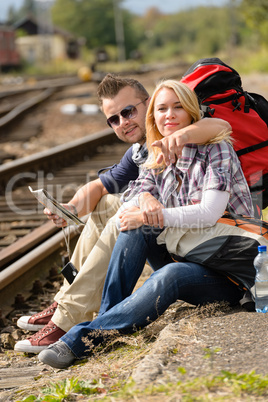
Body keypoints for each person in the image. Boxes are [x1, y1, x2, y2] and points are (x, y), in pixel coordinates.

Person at [37, 79, 255, 369]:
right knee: (134, 224)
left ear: (191, 112)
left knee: (170, 276)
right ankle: (106, 320)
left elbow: (209, 213)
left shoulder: (217, 150)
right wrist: (145, 201)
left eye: (178, 107)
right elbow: (134, 193)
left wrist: (156, 213)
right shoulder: (156, 156)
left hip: (229, 269)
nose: (170, 115)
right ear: (154, 116)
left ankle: (84, 337)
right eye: (162, 109)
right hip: (188, 251)